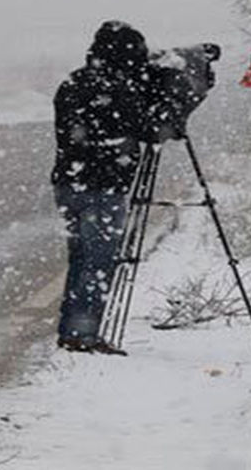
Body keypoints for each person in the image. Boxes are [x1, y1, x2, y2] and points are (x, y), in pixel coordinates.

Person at [51, 21, 156, 355]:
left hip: (70, 182)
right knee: (98, 263)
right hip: (104, 186)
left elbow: (72, 133)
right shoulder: (118, 89)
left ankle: (72, 330)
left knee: (81, 258)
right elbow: (147, 128)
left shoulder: (72, 83)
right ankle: (83, 334)